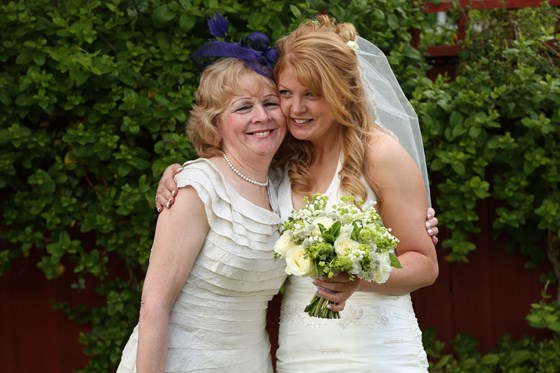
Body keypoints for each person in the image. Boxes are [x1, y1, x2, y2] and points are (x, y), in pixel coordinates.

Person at [155, 14, 440, 372]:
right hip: (300, 351)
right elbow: (229, 171)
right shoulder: (284, 158)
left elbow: (425, 265)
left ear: (341, 93)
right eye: (286, 94)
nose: (295, 108)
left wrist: (360, 277)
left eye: (312, 96)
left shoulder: (380, 154)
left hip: (375, 352)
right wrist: (177, 176)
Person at [116, 27, 290, 372]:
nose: (262, 116)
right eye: (243, 107)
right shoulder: (196, 188)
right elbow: (154, 304)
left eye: (270, 103)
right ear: (215, 122)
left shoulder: (283, 185)